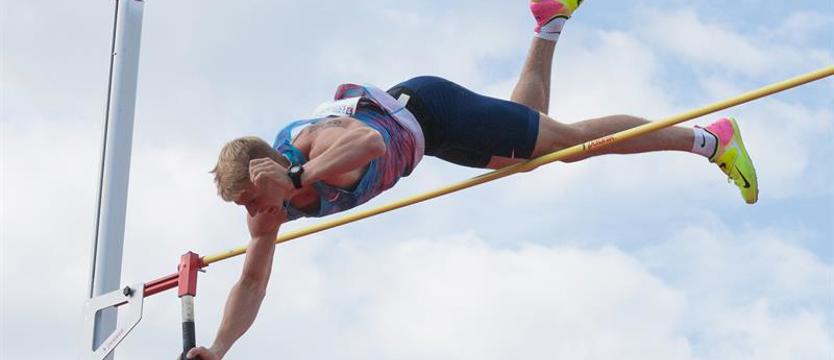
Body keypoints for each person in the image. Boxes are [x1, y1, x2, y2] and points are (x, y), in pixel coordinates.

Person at [187, 0, 758, 358]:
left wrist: (299, 175)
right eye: (245, 207)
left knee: (568, 145)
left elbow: (368, 144)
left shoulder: (315, 143)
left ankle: (711, 139)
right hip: (429, 140)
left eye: (253, 199)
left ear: (270, 169)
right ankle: (551, 20)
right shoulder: (269, 210)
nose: (255, 214)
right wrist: (218, 347)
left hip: (433, 111)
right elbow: (252, 283)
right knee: (527, 140)